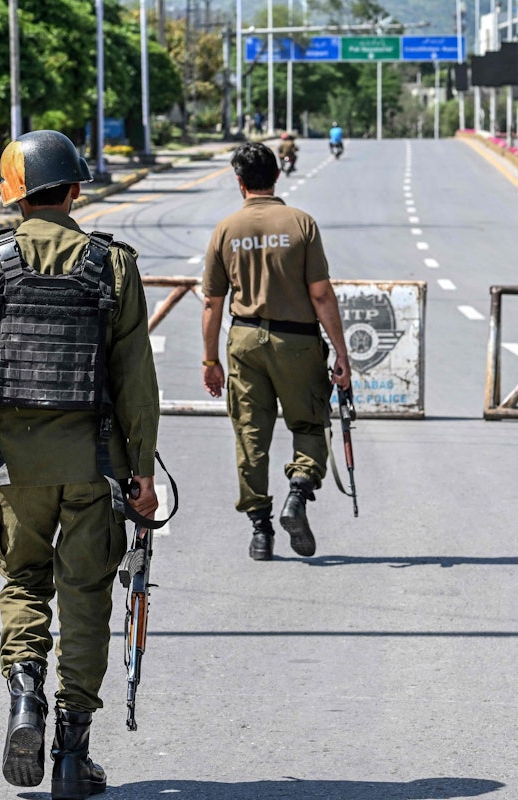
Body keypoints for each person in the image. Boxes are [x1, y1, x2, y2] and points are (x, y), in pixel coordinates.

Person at [0, 129, 160, 799]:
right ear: (76, 190)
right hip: (94, 465)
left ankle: (24, 694)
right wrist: (140, 469)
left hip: (14, 468)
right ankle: (71, 754)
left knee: (24, 581)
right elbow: (134, 378)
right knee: (86, 597)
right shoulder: (111, 263)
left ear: (14, 194)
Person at [201, 141, 351, 561]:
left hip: (246, 341)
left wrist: (210, 360)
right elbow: (320, 295)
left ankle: (260, 531)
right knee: (307, 424)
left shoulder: (226, 230)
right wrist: (341, 354)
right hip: (298, 342)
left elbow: (213, 302)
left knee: (251, 434)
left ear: (239, 181)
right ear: (277, 177)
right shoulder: (302, 224)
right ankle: (298, 494)